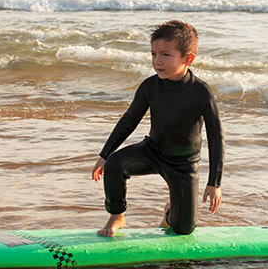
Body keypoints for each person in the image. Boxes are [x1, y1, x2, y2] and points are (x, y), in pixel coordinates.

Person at [92, 20, 224, 237]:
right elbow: (128, 120)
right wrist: (105, 154)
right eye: (153, 54)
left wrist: (214, 183)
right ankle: (117, 216)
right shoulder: (150, 86)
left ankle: (171, 211)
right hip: (153, 151)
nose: (157, 61)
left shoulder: (201, 92)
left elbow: (216, 138)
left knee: (182, 230)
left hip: (184, 164)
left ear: (188, 59)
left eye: (165, 55)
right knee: (116, 164)